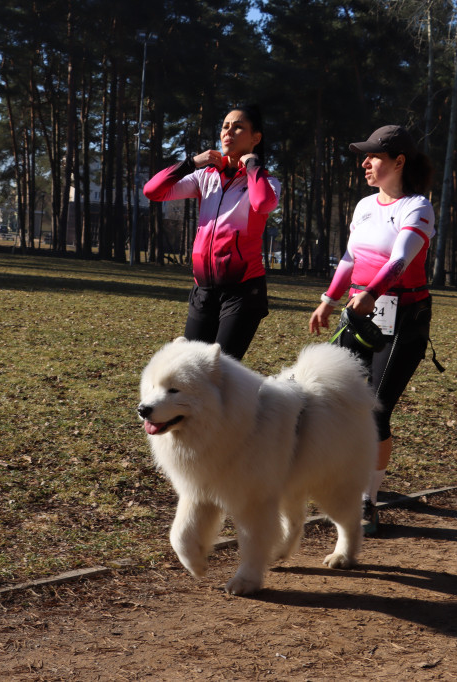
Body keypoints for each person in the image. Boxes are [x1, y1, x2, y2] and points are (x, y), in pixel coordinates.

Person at [308, 124, 436, 536]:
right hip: (359, 313)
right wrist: (329, 299)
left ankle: (367, 501)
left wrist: (372, 292)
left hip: (404, 319)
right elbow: (350, 256)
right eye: (364, 156)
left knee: (376, 409)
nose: (365, 162)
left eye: (374, 156)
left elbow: (399, 259)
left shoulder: (418, 207)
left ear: (399, 162)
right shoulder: (364, 206)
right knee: (342, 401)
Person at [143, 105, 281, 360]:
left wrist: (252, 164)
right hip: (203, 290)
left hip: (242, 292)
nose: (229, 132)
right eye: (225, 126)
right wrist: (191, 163)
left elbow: (262, 204)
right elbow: (153, 191)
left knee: (221, 374)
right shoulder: (204, 177)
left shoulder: (267, 183)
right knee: (192, 369)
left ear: (256, 138)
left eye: (238, 126)